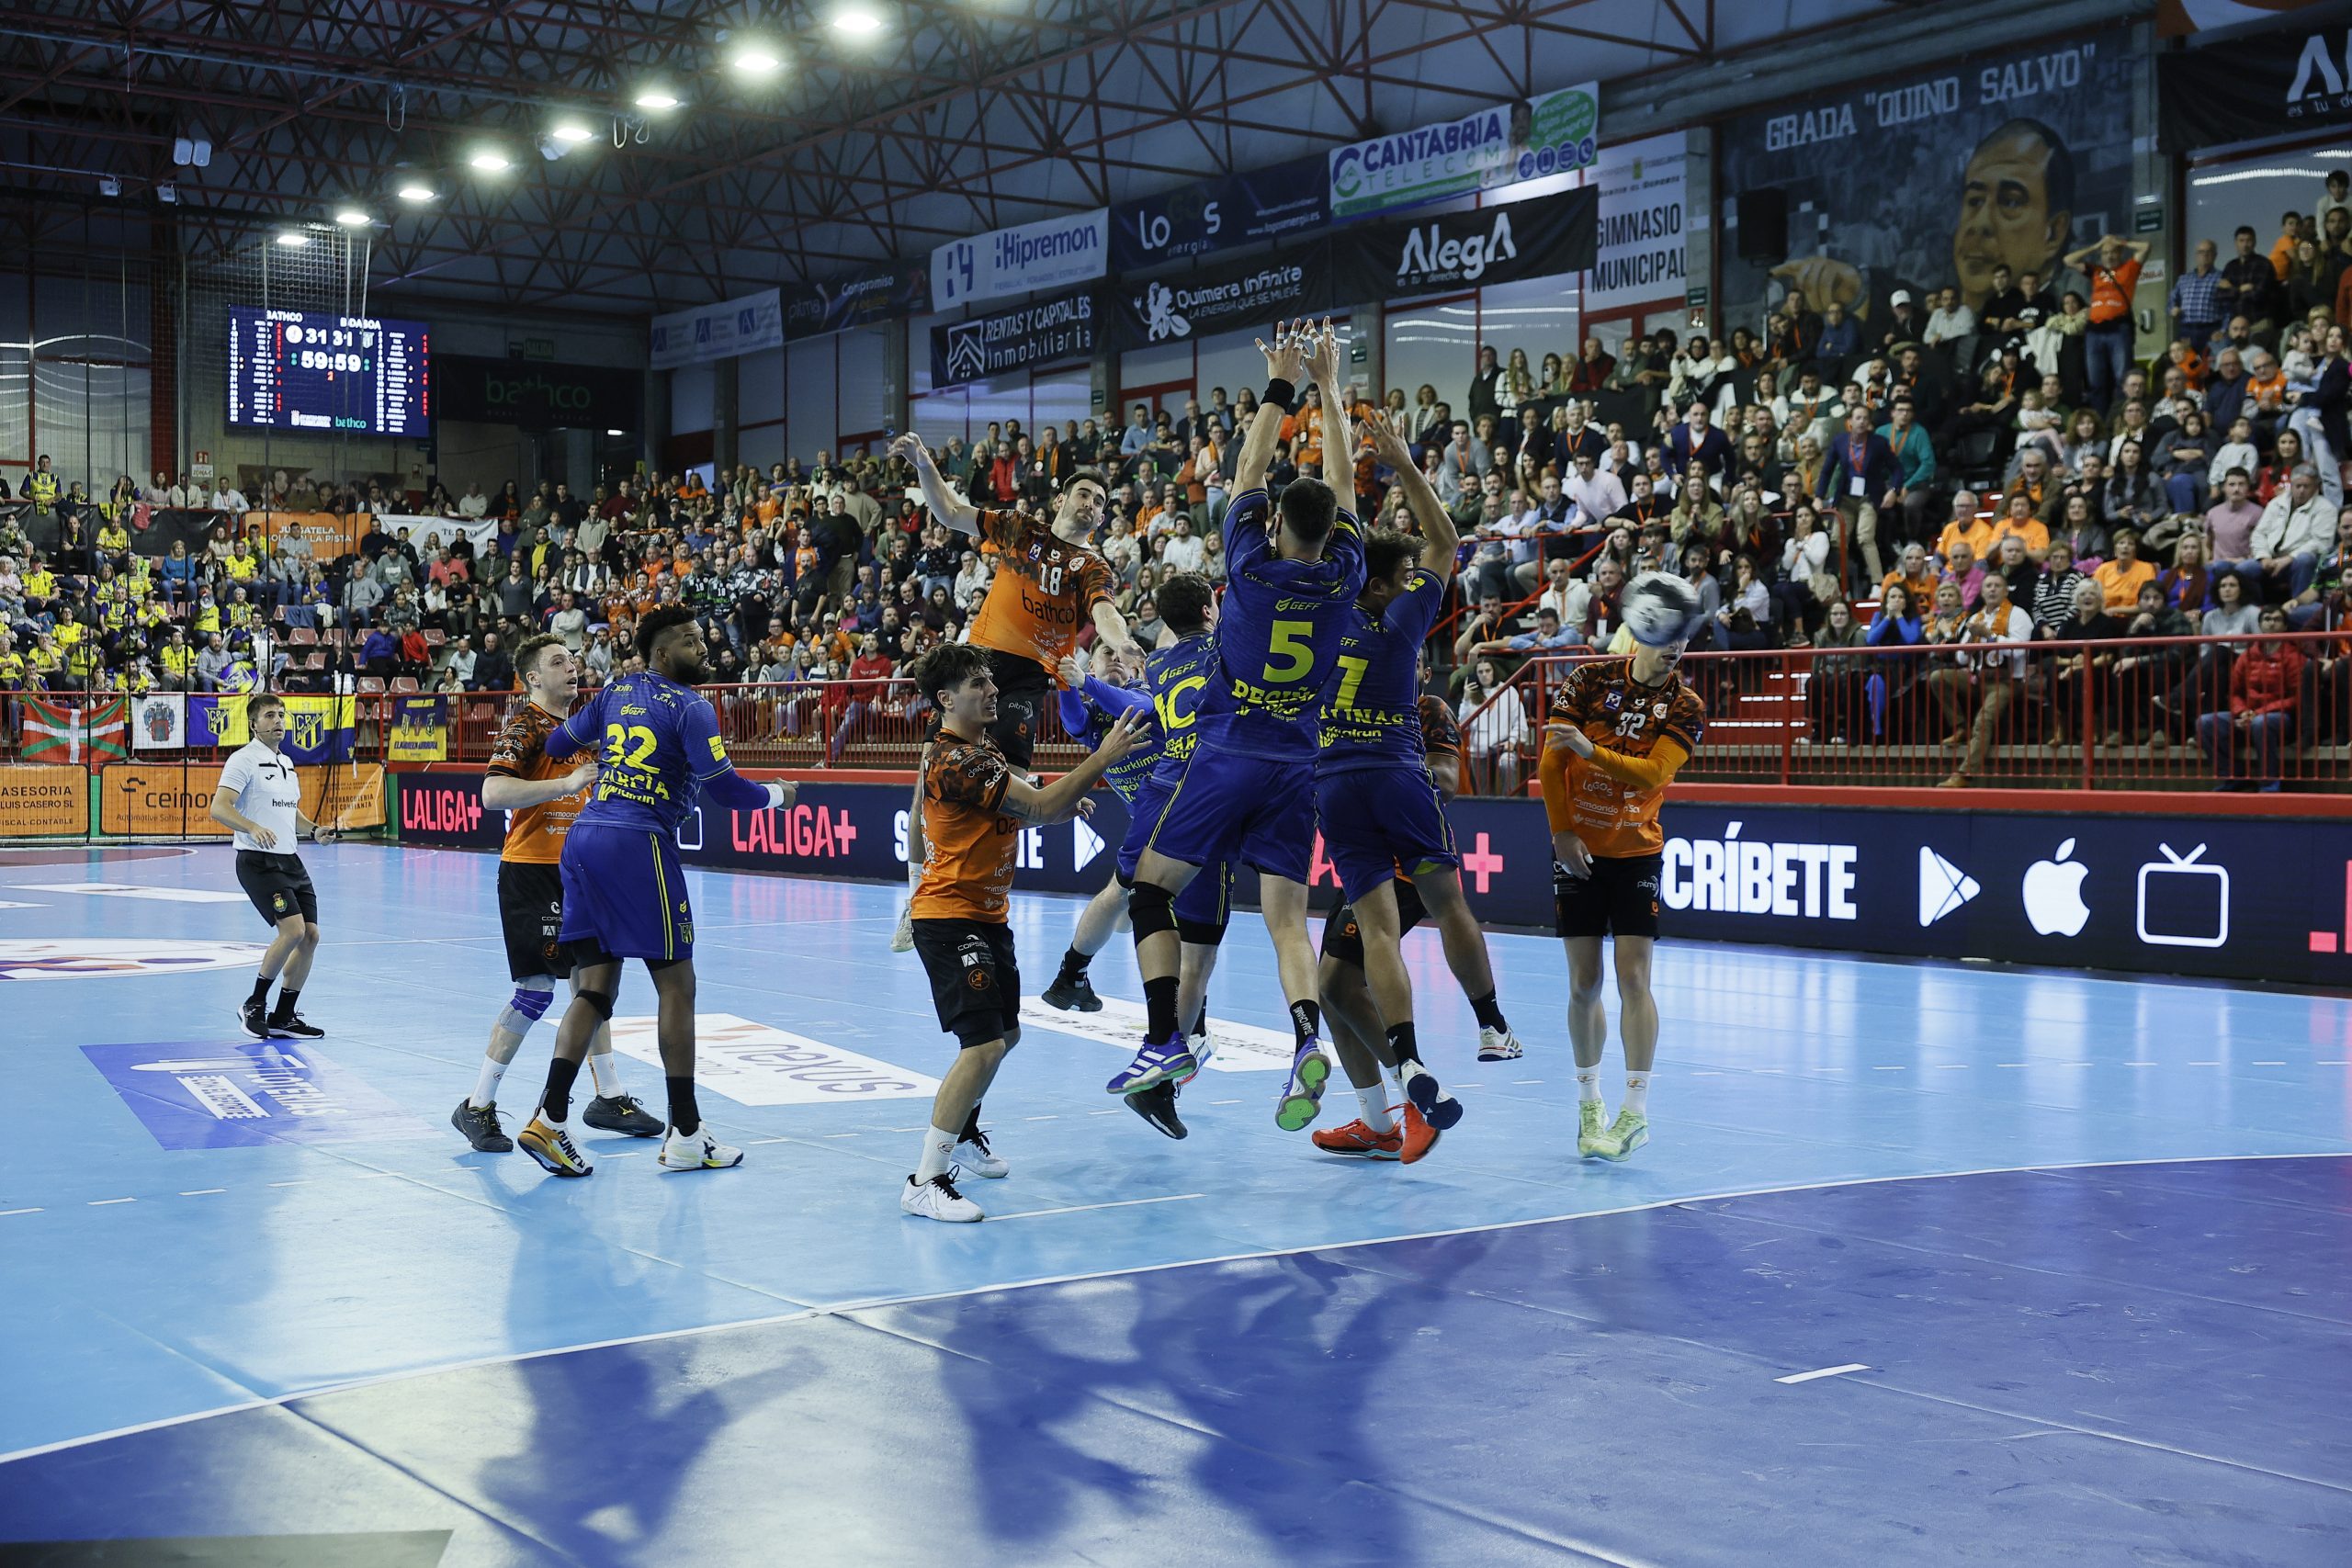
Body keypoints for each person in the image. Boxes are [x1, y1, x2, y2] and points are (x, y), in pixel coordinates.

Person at [1108, 319, 1364, 1134]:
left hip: (1225, 755)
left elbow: (1249, 464)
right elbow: (1345, 489)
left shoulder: (1249, 567)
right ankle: (1302, 1039)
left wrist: (1284, 383)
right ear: (1327, 533)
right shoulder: (1346, 572)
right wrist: (1331, 389)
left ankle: (1162, 1042)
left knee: (1149, 889)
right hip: (1298, 763)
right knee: (1288, 920)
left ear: (1276, 522)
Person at [514, 607, 797, 1179]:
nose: (705, 645)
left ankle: (550, 1115)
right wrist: (778, 795)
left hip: (584, 839)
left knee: (593, 989)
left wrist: (605, 762)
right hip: (637, 843)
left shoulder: (617, 690)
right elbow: (728, 793)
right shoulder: (691, 706)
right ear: (663, 654)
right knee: (678, 986)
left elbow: (562, 736)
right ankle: (687, 1133)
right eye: (691, 641)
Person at [1302, 408, 1491, 1156]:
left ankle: (1413, 1096)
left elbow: (1444, 776)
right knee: (1331, 986)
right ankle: (1383, 1116)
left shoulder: (1429, 707)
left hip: (1403, 848)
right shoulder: (1357, 639)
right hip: (1365, 825)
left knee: (1347, 973)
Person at [900, 643, 1142, 1221]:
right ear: (946, 699)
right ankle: (924, 1179)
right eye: (979, 684)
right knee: (983, 1045)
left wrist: (1061, 797)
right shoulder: (954, 760)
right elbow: (1037, 808)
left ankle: (962, 1133)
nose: (992, 691)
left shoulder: (980, 750)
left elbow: (1039, 801)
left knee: (1005, 1039)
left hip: (987, 915)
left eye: (991, 680)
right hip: (950, 915)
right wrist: (1102, 756)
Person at [887, 432, 1140, 953]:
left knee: (1016, 801)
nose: (1092, 506)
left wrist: (1124, 641)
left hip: (1026, 679)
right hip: (979, 662)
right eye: (1085, 495)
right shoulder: (1019, 529)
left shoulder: (1091, 566)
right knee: (926, 785)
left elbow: (1104, 613)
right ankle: (916, 901)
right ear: (1062, 500)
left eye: (1101, 502)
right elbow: (952, 510)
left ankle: (997, 853)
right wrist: (922, 460)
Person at [450, 636, 662, 1155]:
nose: (572, 668)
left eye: (573, 660)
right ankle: (477, 1105)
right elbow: (493, 793)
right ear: (532, 679)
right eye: (557, 662)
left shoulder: (583, 729)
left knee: (594, 989)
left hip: (583, 873)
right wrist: (566, 784)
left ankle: (608, 1096)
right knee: (536, 993)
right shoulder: (526, 725)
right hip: (531, 872)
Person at [1039, 578, 1234, 1140]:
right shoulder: (1124, 705)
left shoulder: (1146, 695)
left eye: (1127, 654)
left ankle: (1072, 975)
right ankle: (1164, 1056)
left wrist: (1083, 679)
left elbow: (1131, 701)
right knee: (1190, 951)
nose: (1117, 660)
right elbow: (1092, 710)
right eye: (1107, 655)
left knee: (1127, 897)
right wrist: (1078, 682)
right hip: (1182, 815)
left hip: (1155, 816)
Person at [1538, 582, 1706, 1161]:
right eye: (1666, 635)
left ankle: (1634, 1113)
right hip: (1579, 849)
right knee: (1584, 983)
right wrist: (1561, 833)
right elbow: (1551, 759)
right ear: (1640, 629)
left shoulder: (1686, 706)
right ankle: (1590, 1103)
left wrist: (1592, 751)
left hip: (1637, 853)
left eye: (1684, 636)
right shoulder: (1588, 680)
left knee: (1634, 979)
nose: (1676, 647)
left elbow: (1654, 776)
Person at [207, 691, 339, 1041]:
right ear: (253, 723)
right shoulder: (243, 760)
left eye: (281, 714)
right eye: (269, 715)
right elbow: (219, 807)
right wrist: (251, 827)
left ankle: (284, 1015)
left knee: (310, 936)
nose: (278, 721)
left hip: (290, 860)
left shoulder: (287, 764)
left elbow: (288, 814)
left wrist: (314, 830)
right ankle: (254, 1004)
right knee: (292, 930)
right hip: (257, 861)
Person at [2197, 606, 2301, 792]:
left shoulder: (2294, 657)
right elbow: (2235, 692)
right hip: (2248, 715)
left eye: (2277, 619)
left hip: (2281, 718)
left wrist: (2258, 713)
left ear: (2285, 626)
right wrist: (2242, 712)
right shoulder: (2247, 656)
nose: (2271, 623)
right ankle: (2232, 777)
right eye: (2267, 619)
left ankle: (2269, 781)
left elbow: (2296, 697)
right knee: (2206, 722)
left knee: (2261, 723)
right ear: (2260, 625)